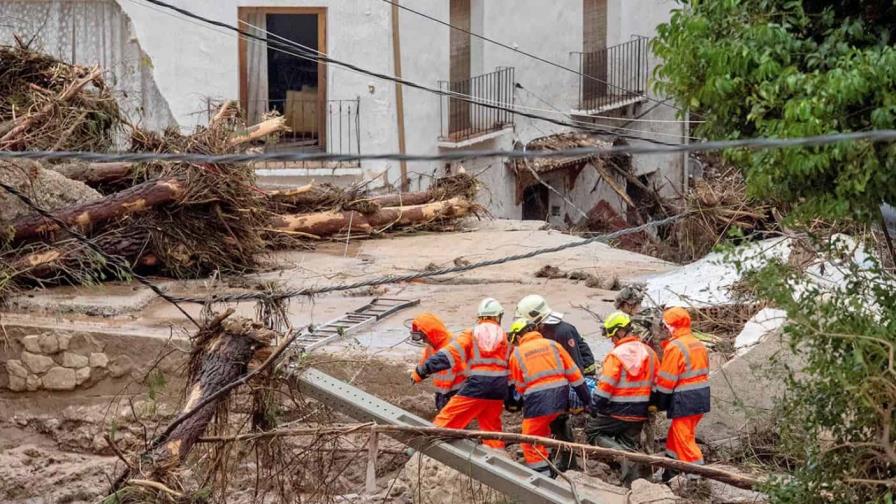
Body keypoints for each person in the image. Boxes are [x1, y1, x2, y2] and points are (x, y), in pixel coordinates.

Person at [413, 298, 509, 449]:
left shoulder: (472, 333)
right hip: (499, 388)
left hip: (478, 385)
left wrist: (421, 371)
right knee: (491, 427)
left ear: (480, 317)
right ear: (498, 316)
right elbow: (512, 362)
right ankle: (499, 460)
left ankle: (421, 449)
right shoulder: (503, 336)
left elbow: (449, 355)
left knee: (446, 419)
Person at [515, 294, 596, 470]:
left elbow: (574, 366)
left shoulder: (561, 331)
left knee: (559, 423)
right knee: (552, 424)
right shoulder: (547, 332)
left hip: (565, 386)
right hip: (559, 387)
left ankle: (567, 464)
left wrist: (579, 398)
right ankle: (557, 459)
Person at [585, 311, 659, 486]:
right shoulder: (650, 353)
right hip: (641, 411)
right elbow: (657, 384)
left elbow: (606, 386)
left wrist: (594, 406)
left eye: (612, 336)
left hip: (616, 410)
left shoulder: (616, 355)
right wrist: (651, 407)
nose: (612, 340)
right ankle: (631, 485)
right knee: (630, 443)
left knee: (593, 431)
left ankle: (624, 458)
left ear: (619, 331)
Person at [652, 307, 711, 480]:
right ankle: (671, 470)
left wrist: (659, 402)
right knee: (676, 435)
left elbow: (666, 381)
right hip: (701, 396)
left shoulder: (675, 347)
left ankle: (697, 478)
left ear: (671, 326)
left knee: (684, 438)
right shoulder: (697, 343)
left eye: (665, 325)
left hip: (686, 399)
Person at [409, 313, 466, 411]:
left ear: (431, 333)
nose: (424, 341)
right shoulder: (431, 347)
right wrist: (417, 375)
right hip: (442, 392)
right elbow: (426, 361)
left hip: (457, 392)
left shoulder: (453, 344)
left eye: (424, 338)